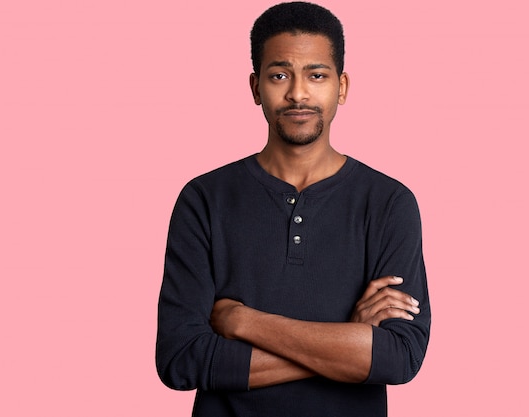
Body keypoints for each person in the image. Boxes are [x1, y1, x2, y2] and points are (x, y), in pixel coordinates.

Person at [156, 2, 431, 416]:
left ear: (341, 87)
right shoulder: (204, 198)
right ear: (255, 87)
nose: (298, 93)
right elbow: (180, 359)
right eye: (279, 75)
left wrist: (241, 322)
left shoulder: (389, 202)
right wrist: (349, 343)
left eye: (316, 75)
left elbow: (399, 357)